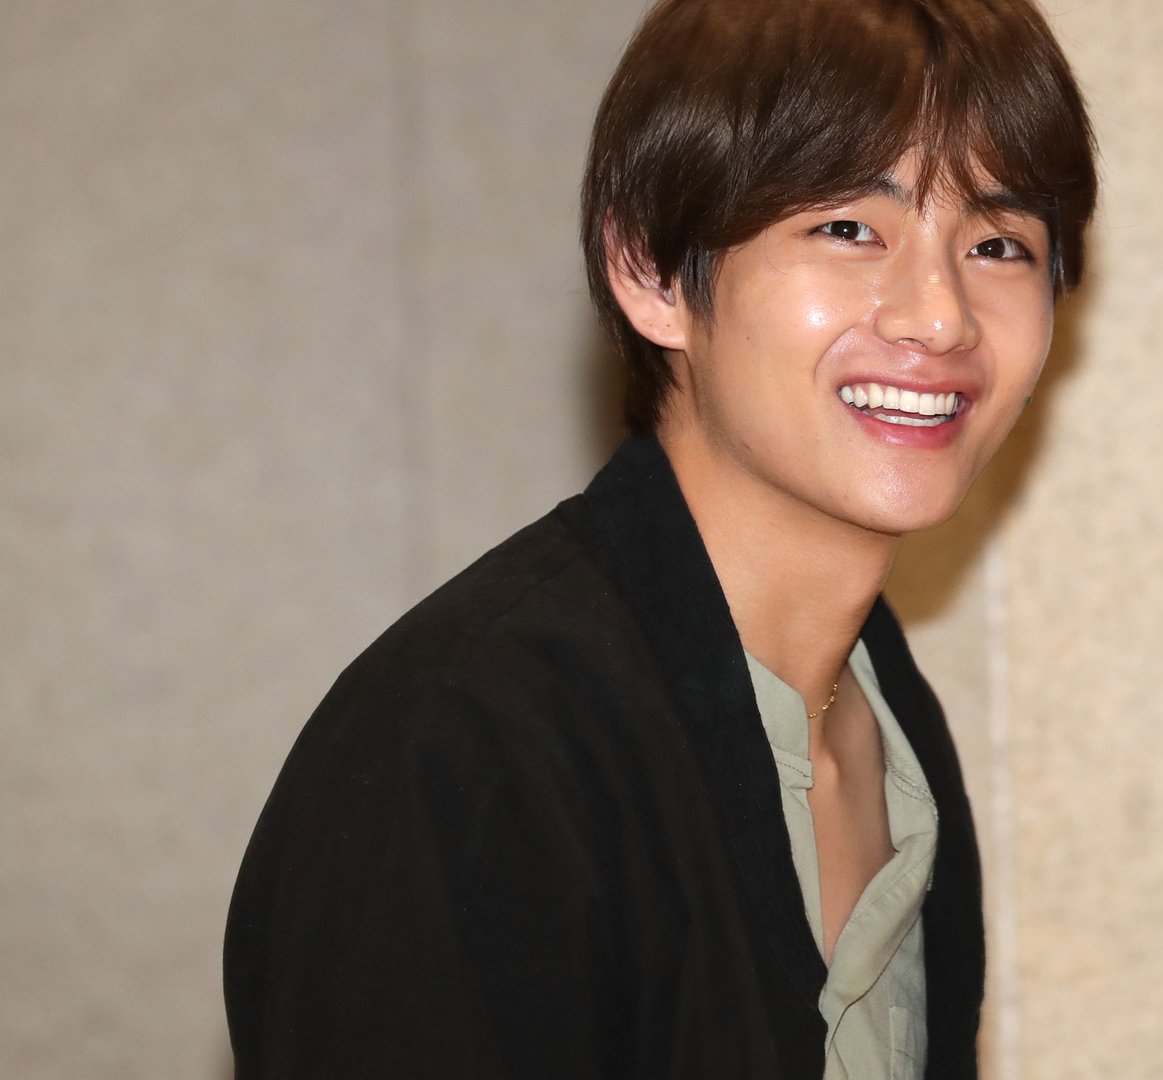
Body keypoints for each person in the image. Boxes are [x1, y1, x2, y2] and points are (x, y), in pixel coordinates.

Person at [221, 0, 1097, 1076]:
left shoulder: (884, 707)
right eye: (848, 228)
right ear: (648, 269)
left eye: (999, 244)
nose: (941, 316)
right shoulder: (464, 745)